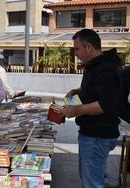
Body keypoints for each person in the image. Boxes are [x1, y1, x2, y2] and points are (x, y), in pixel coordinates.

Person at [60, 29, 122, 188]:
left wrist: (75, 110)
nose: (75, 53)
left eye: (77, 49)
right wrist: (79, 91)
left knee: (92, 183)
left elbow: (105, 104)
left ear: (88, 47)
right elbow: (99, 90)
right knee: (90, 178)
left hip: (97, 136)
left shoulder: (104, 69)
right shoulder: (94, 66)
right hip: (92, 134)